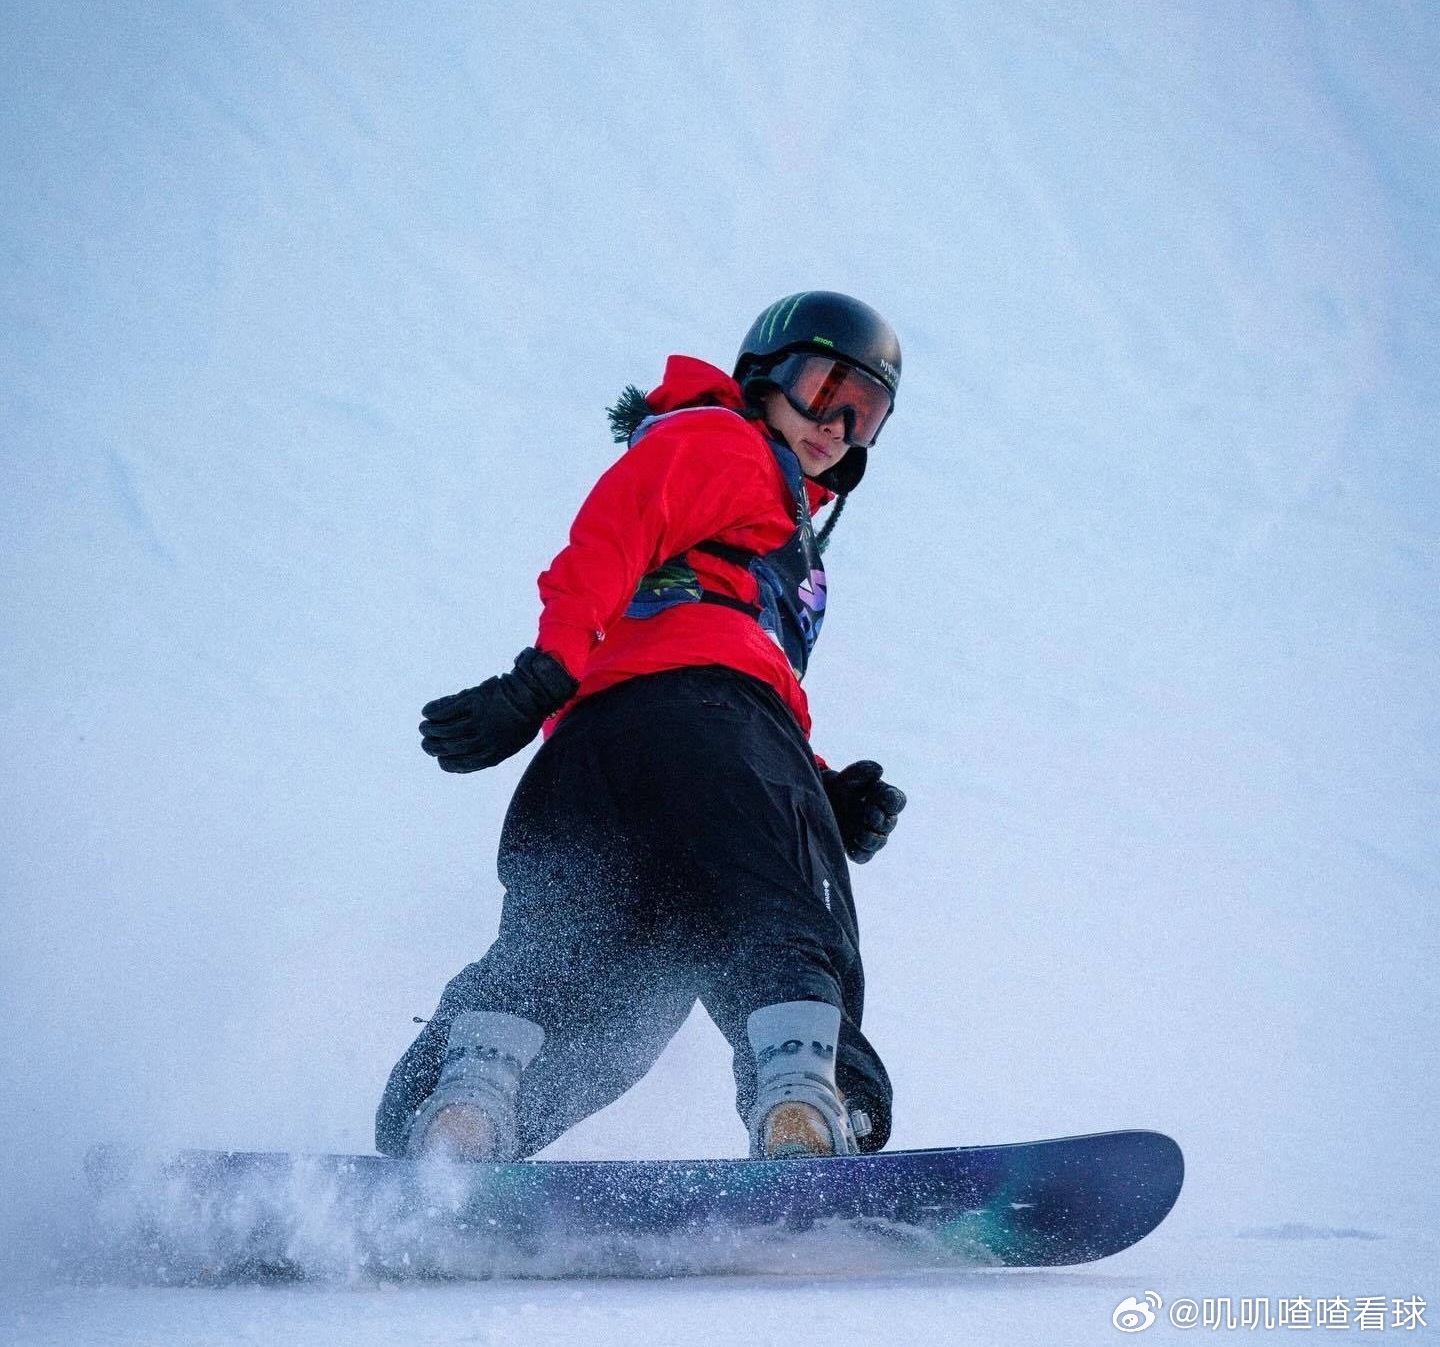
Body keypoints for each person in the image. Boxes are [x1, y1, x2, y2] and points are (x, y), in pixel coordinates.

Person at [376, 291, 909, 1163]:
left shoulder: (772, 538)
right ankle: (805, 1104)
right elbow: (619, 530)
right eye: (827, 388)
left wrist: (821, 783)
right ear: (768, 375)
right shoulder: (726, 441)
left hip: (595, 757)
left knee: (596, 993)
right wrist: (539, 670)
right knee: (784, 909)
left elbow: (717, 645)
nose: (840, 425)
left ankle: (464, 1108)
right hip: (704, 729)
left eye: (869, 413)